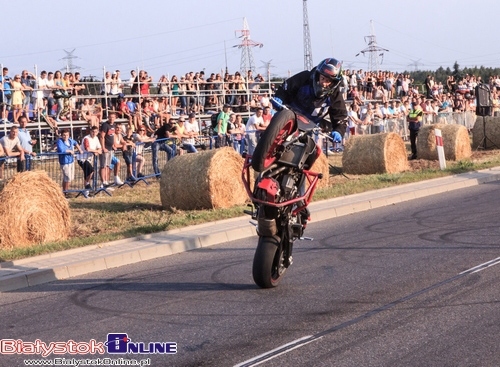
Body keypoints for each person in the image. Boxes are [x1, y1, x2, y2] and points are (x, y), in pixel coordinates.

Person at [273, 58, 348, 145]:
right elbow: (285, 87)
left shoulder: (335, 95)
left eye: (328, 81)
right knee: (269, 133)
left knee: (310, 152)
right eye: (323, 78)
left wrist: (338, 131)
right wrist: (279, 97)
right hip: (287, 115)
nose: (324, 83)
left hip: (307, 127)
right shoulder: (304, 77)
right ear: (318, 75)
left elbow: (341, 116)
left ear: (334, 83)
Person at [99, 112, 123, 186]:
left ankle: (106, 181)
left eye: (113, 117)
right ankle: (103, 181)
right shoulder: (105, 125)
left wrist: (113, 145)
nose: (111, 118)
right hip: (105, 148)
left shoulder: (113, 125)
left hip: (110, 148)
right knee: (103, 165)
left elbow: (111, 136)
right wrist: (103, 147)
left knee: (107, 166)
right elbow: (102, 136)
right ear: (108, 117)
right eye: (110, 117)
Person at [56, 129, 83, 194]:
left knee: (71, 177)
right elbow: (61, 150)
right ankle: (65, 192)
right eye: (64, 135)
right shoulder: (60, 141)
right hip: (64, 161)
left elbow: (75, 143)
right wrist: (69, 151)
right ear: (61, 135)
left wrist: (80, 149)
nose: (65, 136)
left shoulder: (70, 140)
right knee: (67, 177)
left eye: (67, 135)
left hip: (71, 161)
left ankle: (65, 190)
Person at [78, 125, 102, 190]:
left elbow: (99, 148)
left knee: (87, 174)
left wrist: (97, 151)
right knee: (91, 171)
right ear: (90, 131)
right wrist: (96, 151)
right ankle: (87, 184)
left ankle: (86, 190)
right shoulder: (86, 138)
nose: (94, 133)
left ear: (97, 132)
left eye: (95, 132)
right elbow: (88, 149)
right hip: (82, 158)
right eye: (93, 131)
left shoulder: (96, 138)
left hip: (89, 159)